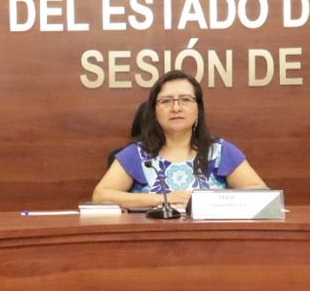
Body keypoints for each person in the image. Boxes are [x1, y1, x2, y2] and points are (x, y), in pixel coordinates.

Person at [91, 70, 267, 209]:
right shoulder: (137, 153)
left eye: (185, 100)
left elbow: (262, 194)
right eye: (166, 101)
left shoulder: (220, 151)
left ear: (198, 109)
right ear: (154, 112)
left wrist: (209, 201)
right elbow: (100, 196)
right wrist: (164, 199)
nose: (176, 108)